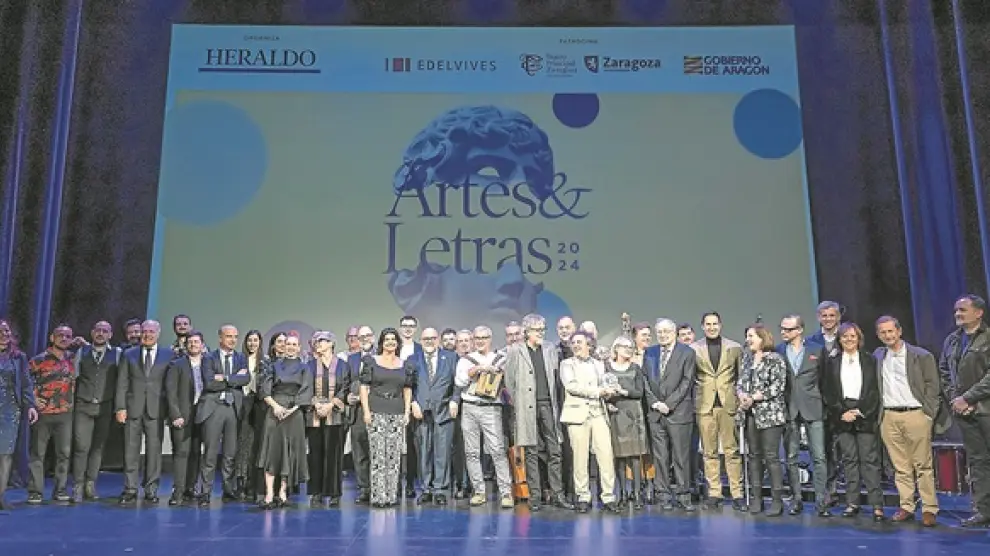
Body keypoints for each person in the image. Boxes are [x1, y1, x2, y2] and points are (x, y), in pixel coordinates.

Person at [359, 328, 416, 508]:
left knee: (393, 456)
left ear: (397, 343)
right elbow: (363, 388)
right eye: (387, 339)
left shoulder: (405, 365)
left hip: (397, 412)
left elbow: (407, 390)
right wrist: (366, 411)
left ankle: (391, 496)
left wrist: (406, 412)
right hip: (376, 410)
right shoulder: (371, 362)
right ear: (381, 343)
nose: (390, 342)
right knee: (378, 456)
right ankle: (378, 496)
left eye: (393, 339)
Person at [0, 319, 38, 510]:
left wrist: (30, 405)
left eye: (6, 331)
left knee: (5, 454)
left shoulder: (18, 357)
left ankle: (0, 496)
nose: (4, 334)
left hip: (10, 409)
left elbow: (26, 382)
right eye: (0, 331)